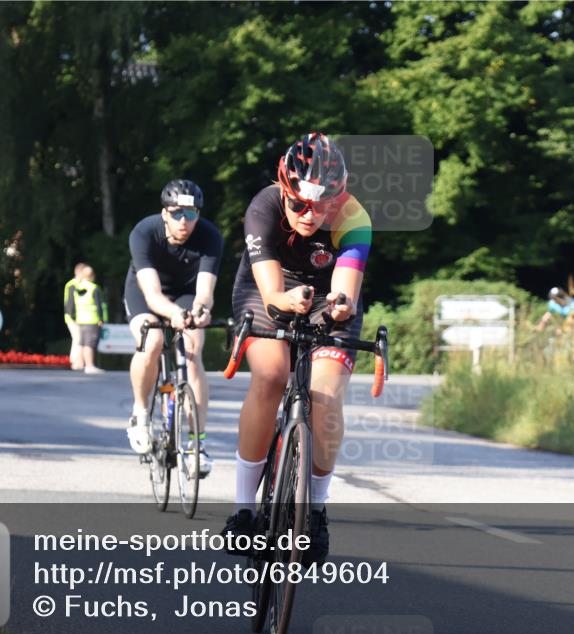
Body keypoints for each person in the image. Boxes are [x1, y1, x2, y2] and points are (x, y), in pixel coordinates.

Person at [221, 132, 372, 566]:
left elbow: (345, 290)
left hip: (328, 298)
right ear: (284, 191)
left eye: (323, 205)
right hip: (268, 288)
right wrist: (286, 301)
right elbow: (270, 293)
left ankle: (317, 511)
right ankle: (243, 510)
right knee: (270, 376)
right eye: (300, 204)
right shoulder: (264, 207)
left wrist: (339, 308)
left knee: (325, 398)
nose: (310, 216)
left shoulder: (353, 217)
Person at [124, 179, 224, 478]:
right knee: (152, 341)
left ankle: (197, 444)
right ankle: (141, 414)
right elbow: (153, 294)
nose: (184, 221)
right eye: (177, 213)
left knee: (193, 349)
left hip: (186, 293)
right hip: (146, 292)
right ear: (164, 213)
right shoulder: (144, 232)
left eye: (191, 214)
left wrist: (200, 311)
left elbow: (205, 292)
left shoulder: (209, 237)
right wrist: (173, 314)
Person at [67, 265, 106, 374]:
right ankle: (89, 365)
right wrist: (101, 318)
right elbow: (99, 306)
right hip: (92, 319)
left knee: (83, 343)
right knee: (90, 344)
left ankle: (81, 363)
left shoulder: (77, 287)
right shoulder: (94, 288)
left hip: (81, 319)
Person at [64, 263, 88, 370]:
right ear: (79, 272)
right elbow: (70, 303)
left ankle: (78, 362)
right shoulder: (72, 285)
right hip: (73, 318)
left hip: (78, 317)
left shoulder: (78, 284)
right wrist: (73, 316)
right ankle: (76, 362)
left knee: (78, 339)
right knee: (78, 339)